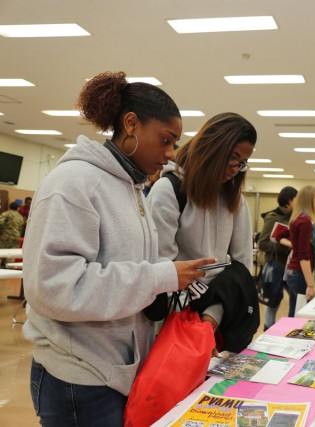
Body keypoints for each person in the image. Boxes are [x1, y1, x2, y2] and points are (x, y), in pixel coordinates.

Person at [22, 71, 214, 426]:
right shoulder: (74, 183)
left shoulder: (131, 189)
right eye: (167, 140)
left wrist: (172, 279)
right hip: (79, 377)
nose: (171, 155)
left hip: (114, 369)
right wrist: (160, 276)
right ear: (131, 125)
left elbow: (128, 265)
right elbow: (52, 287)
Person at [147, 112, 257, 352]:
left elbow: (242, 268)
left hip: (217, 318)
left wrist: (213, 316)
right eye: (231, 157)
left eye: (242, 162)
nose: (235, 168)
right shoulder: (169, 190)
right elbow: (162, 268)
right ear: (211, 147)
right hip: (174, 322)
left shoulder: (235, 199)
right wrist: (199, 318)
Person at [276, 185, 315, 316]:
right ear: (308, 200)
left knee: (295, 310)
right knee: (299, 313)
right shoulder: (305, 220)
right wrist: (311, 285)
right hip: (299, 272)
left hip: (294, 272)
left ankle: (289, 336)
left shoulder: (300, 218)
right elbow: (303, 256)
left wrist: (295, 246)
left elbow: (297, 248)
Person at [257, 186, 298, 330]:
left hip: (290, 266)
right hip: (275, 265)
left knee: (296, 297)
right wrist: (285, 246)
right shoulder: (272, 217)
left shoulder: (294, 217)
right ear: (288, 201)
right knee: (273, 301)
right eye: (296, 199)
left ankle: (292, 328)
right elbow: (262, 243)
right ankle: (268, 329)